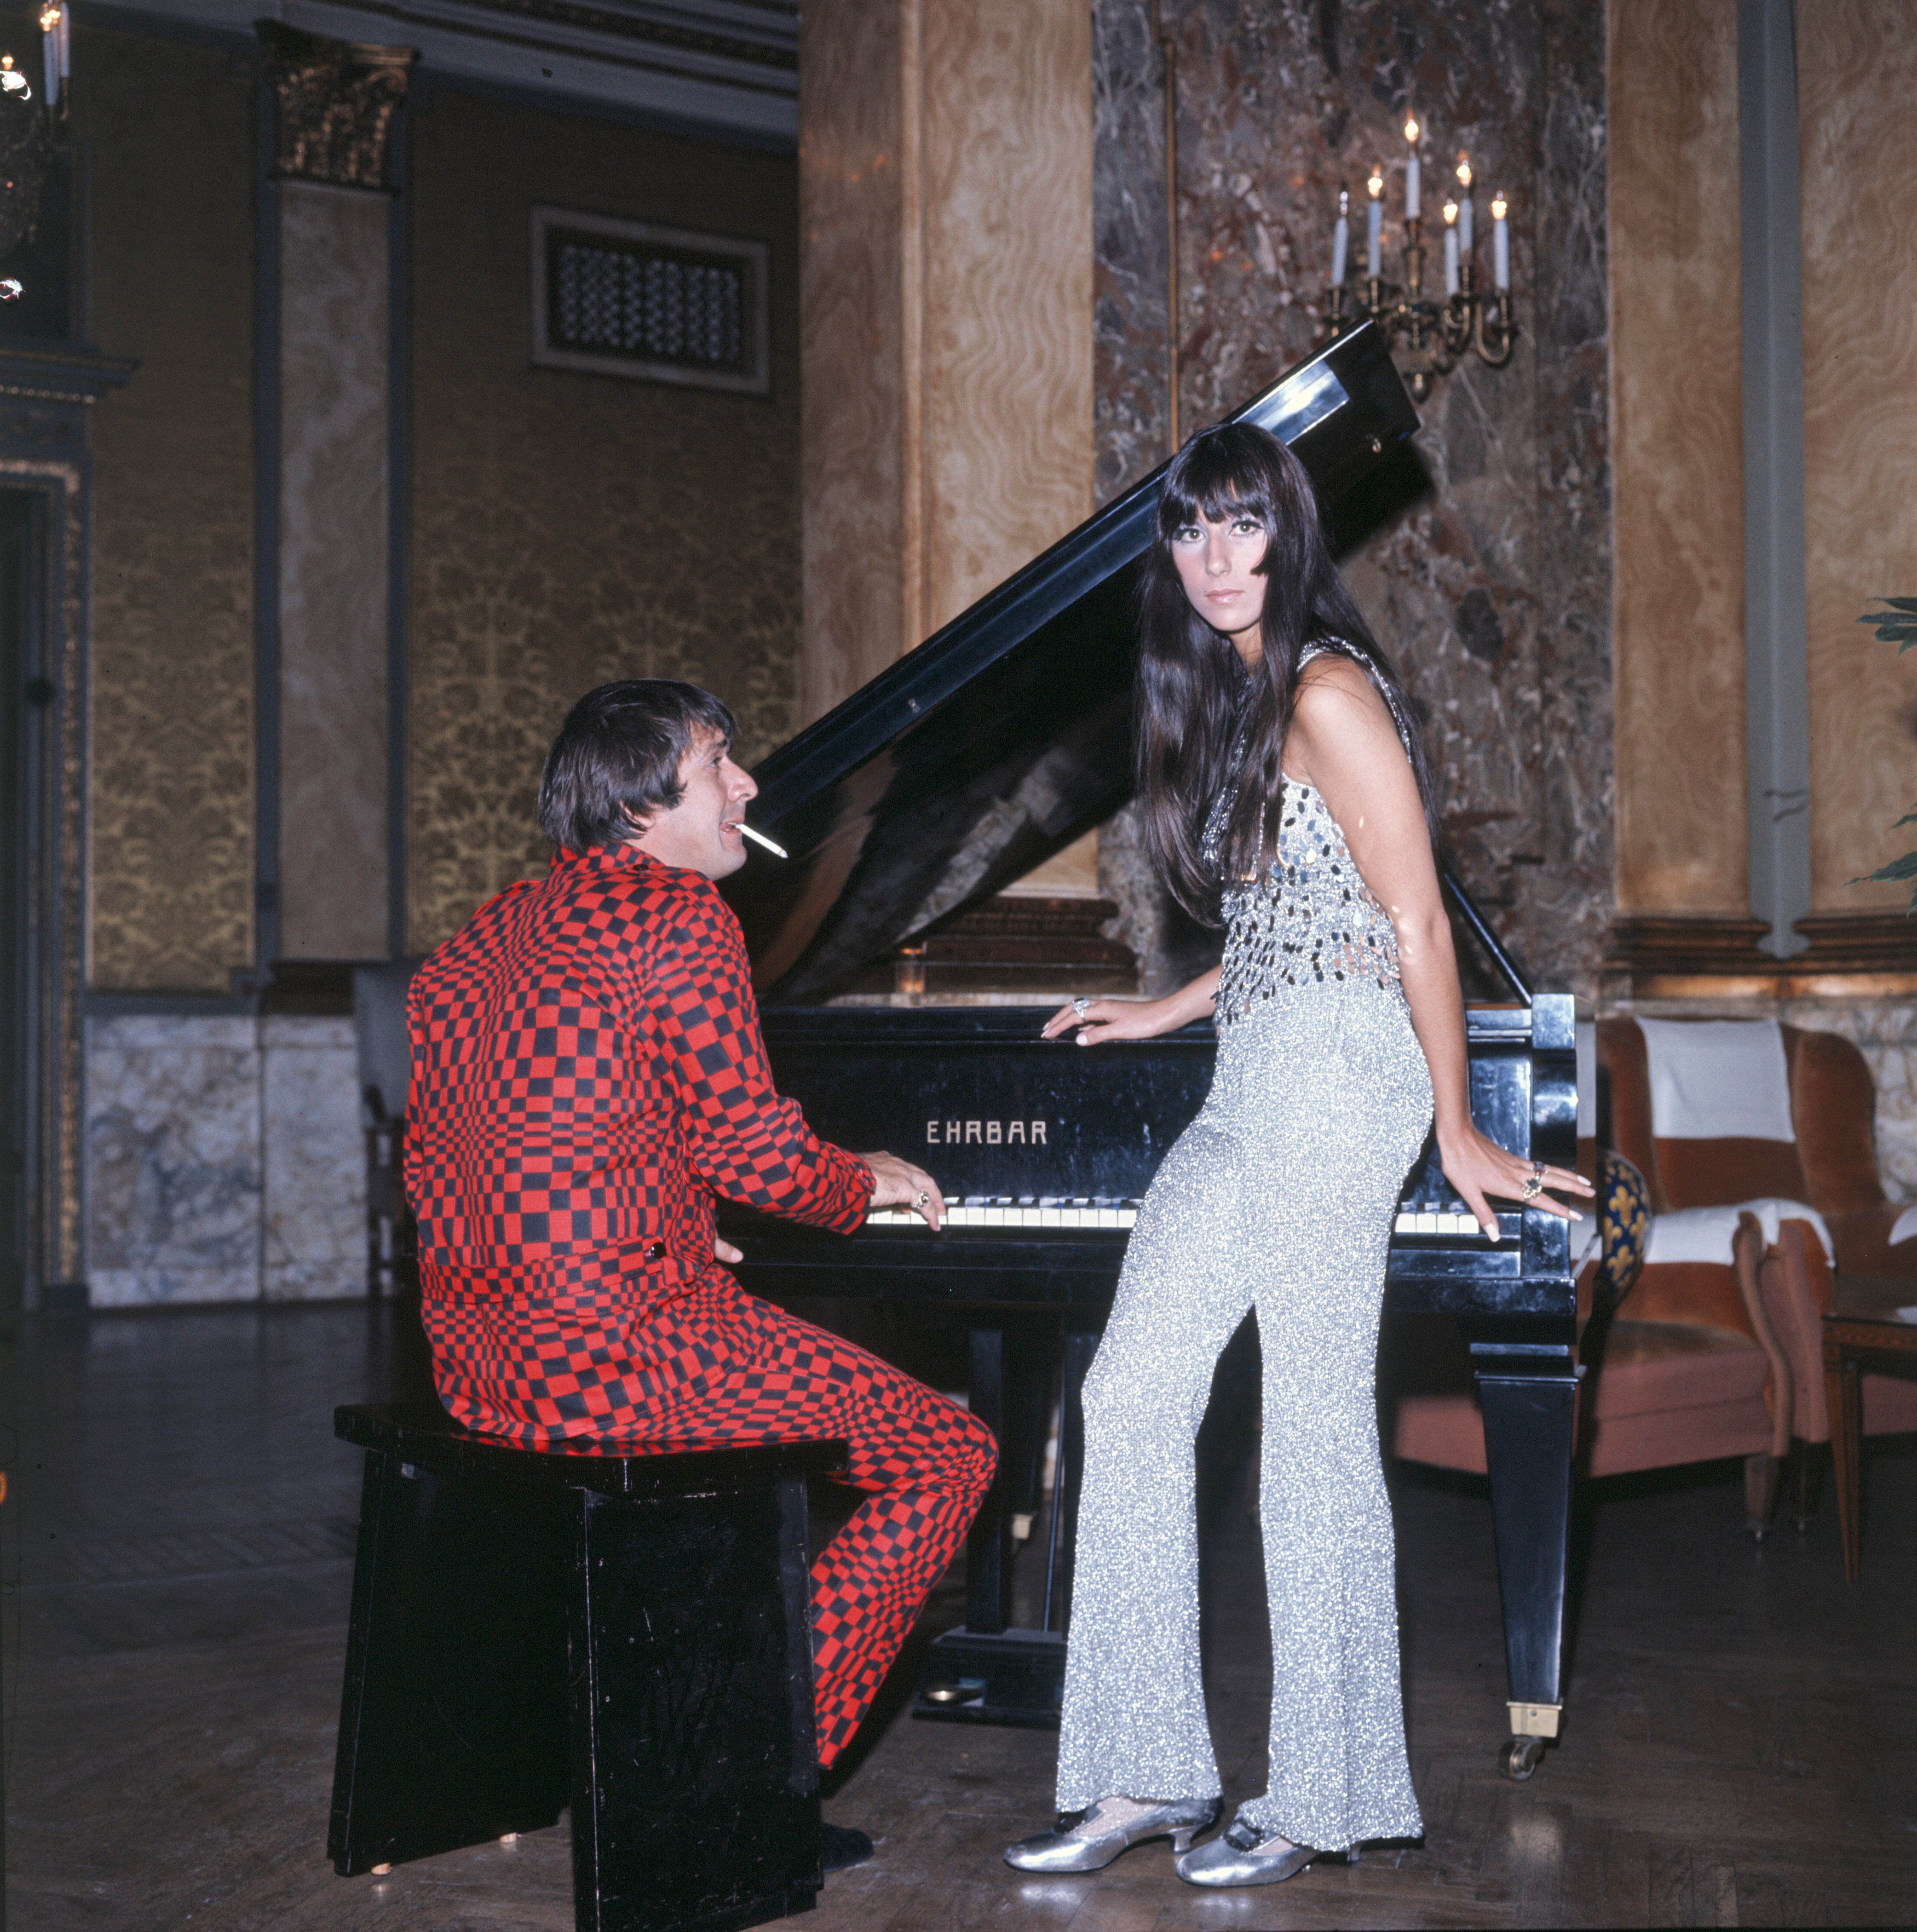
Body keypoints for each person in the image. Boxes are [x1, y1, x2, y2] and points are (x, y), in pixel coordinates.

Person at [1003, 424, 1590, 1887]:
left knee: (1313, 1431)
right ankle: (1146, 1769)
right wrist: (1165, 1007)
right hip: (1252, 1065)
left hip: (1346, 1077)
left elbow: (1413, 923)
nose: (1213, 560)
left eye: (1240, 528)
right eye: (1191, 532)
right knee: (1133, 1394)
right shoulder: (1236, 696)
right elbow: (1281, 925)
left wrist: (1456, 1127)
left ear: (1288, 537)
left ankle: (1318, 1794)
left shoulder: (1325, 690)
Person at [405, 679, 996, 1867]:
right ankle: (748, 1774)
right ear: (639, 799)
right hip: (617, 1347)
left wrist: (670, 1210)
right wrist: (859, 1178)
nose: (750, 785)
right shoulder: (676, 916)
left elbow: (486, 1140)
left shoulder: (483, 935)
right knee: (948, 1452)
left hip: (477, 1362)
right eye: (721, 761)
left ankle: (666, 1733)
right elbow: (751, 1148)